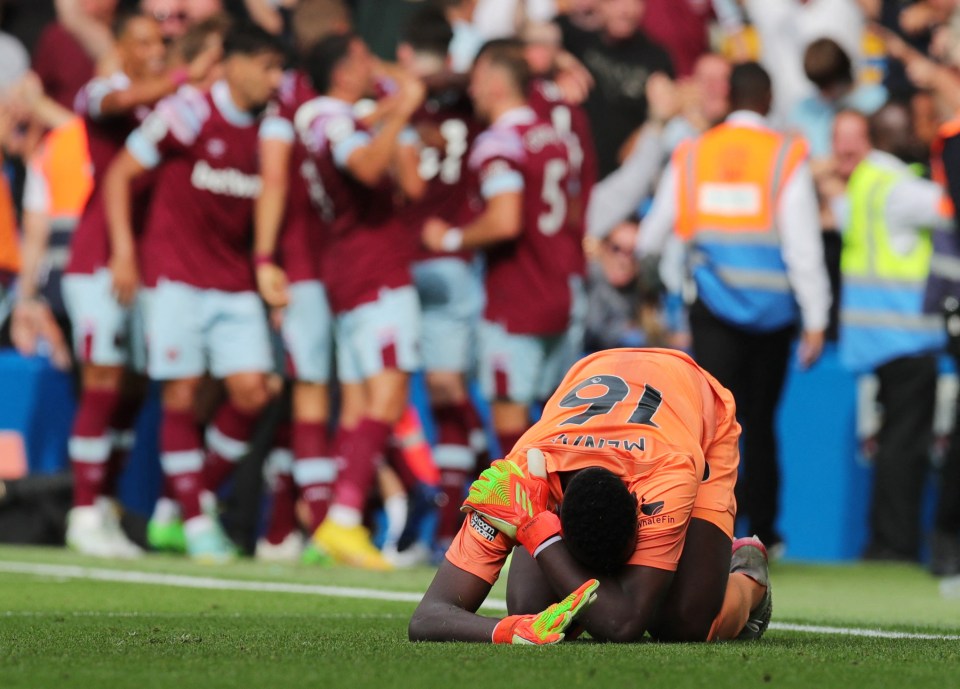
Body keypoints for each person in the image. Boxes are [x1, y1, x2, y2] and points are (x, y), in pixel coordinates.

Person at [409, 347, 771, 644]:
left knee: (684, 624)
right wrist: (509, 630)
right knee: (529, 606)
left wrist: (537, 533)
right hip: (596, 374)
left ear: (638, 507)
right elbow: (428, 616)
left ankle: (749, 579)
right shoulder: (518, 475)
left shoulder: (668, 474)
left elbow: (623, 624)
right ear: (556, 512)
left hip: (691, 401)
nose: (608, 575)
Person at [103, 20, 286, 563]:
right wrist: (123, 250)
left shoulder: (273, 125)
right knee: (180, 392)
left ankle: (184, 505)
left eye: (281, 68)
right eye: (268, 66)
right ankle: (195, 520)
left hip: (231, 279)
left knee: (254, 391)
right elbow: (119, 175)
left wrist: (264, 261)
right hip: (175, 275)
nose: (276, 79)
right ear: (234, 62)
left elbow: (274, 184)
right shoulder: (187, 111)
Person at [639, 62, 832, 555]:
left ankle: (702, 528)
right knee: (761, 422)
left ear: (729, 98)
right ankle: (765, 532)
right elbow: (802, 246)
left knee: (710, 426)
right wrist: (816, 317)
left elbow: (653, 234)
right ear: (767, 99)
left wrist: (658, 294)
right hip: (774, 315)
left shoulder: (694, 152)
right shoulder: (785, 155)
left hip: (713, 308)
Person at [60, 10, 207, 559]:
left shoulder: (166, 104)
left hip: (149, 262)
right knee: (102, 375)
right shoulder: (107, 89)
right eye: (141, 42)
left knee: (131, 387)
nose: (152, 50)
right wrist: (180, 77)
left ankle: (104, 506)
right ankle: (81, 512)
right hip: (101, 256)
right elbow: (109, 105)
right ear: (120, 47)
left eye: (158, 43)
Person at [296, 32, 426, 569]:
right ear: (342, 71)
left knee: (355, 403)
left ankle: (332, 524)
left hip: (350, 271)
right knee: (387, 395)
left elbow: (412, 186)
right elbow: (369, 167)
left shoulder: (343, 118)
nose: (370, 66)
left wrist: (396, 112)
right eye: (360, 58)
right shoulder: (330, 117)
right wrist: (403, 110)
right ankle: (345, 519)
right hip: (376, 273)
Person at [422, 39, 584, 464]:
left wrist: (451, 238)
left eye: (476, 80)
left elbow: (506, 219)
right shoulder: (555, 136)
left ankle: (534, 529)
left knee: (514, 440)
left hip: (517, 298)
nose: (471, 91)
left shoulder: (499, 143)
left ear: (495, 83)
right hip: (559, 291)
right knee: (558, 428)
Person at [830, 105, 945, 562]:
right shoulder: (898, 186)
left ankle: (884, 540)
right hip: (908, 334)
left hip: (875, 336)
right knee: (905, 446)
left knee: (893, 442)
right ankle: (894, 544)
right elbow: (949, 204)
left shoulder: (866, 182)